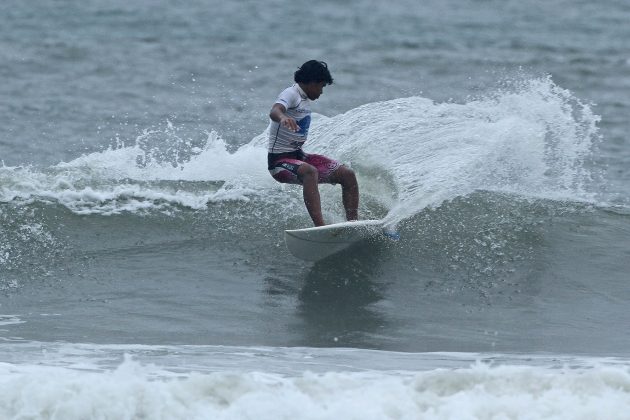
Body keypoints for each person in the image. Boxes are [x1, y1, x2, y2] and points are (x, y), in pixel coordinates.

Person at [267, 60, 359, 226]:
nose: (321, 91)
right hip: (278, 163)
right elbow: (275, 110)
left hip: (298, 157)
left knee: (347, 174)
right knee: (310, 172)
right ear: (311, 82)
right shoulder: (291, 93)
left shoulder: (303, 98)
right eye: (321, 86)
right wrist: (283, 117)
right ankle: (320, 227)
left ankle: (353, 224)